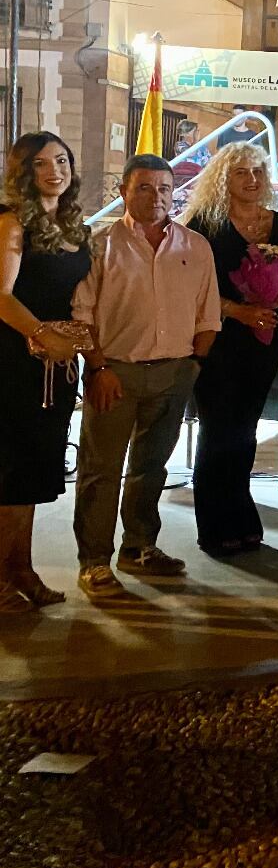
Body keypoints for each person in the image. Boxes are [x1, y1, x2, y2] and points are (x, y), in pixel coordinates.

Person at [71, 155, 221, 599]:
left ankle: (138, 546)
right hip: (114, 373)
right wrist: (97, 368)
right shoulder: (99, 246)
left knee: (151, 468)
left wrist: (191, 368)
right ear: (122, 191)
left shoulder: (195, 247)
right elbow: (82, 316)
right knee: (100, 471)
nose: (155, 197)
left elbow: (207, 315)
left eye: (163, 189)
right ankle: (94, 561)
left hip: (173, 374)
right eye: (143, 188)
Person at [181, 143, 278, 557]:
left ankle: (242, 514)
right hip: (219, 337)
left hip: (263, 338)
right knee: (217, 430)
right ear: (223, 179)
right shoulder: (203, 225)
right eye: (240, 172)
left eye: (257, 172)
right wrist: (238, 310)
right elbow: (191, 289)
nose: (251, 180)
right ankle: (214, 525)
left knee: (245, 432)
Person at [0, 133, 91, 611]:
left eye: (62, 160)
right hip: (13, 359)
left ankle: (21, 569)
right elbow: (0, 295)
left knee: (34, 471)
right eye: (40, 163)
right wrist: (43, 334)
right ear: (23, 172)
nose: (54, 170)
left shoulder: (74, 225)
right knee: (10, 472)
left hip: (54, 365)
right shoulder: (12, 223)